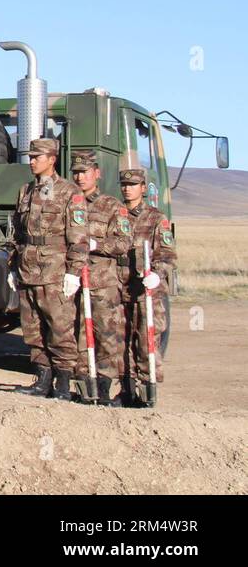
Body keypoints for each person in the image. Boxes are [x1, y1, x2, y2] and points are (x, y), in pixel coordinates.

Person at [7, 137, 89, 400]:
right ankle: (42, 381)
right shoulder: (26, 191)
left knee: (60, 327)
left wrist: (73, 272)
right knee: (32, 328)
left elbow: (79, 237)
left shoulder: (69, 193)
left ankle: (63, 384)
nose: (31, 161)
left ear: (52, 159)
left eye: (37, 157)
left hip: (55, 270)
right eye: (30, 157)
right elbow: (17, 234)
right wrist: (12, 265)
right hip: (28, 268)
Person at [69, 150, 130, 403]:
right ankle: (83, 387)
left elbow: (124, 242)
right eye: (76, 173)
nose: (80, 177)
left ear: (97, 173)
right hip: (75, 279)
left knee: (106, 334)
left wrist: (97, 244)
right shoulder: (69, 204)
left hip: (102, 282)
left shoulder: (112, 206)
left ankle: (103, 387)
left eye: (85, 172)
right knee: (77, 334)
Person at [117, 168, 176, 408]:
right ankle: (126, 391)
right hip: (120, 286)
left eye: (133, 185)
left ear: (143, 188)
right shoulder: (117, 215)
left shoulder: (155, 218)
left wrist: (157, 273)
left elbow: (167, 253)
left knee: (146, 341)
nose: (128, 189)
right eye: (124, 185)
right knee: (121, 341)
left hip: (146, 292)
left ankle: (147, 393)